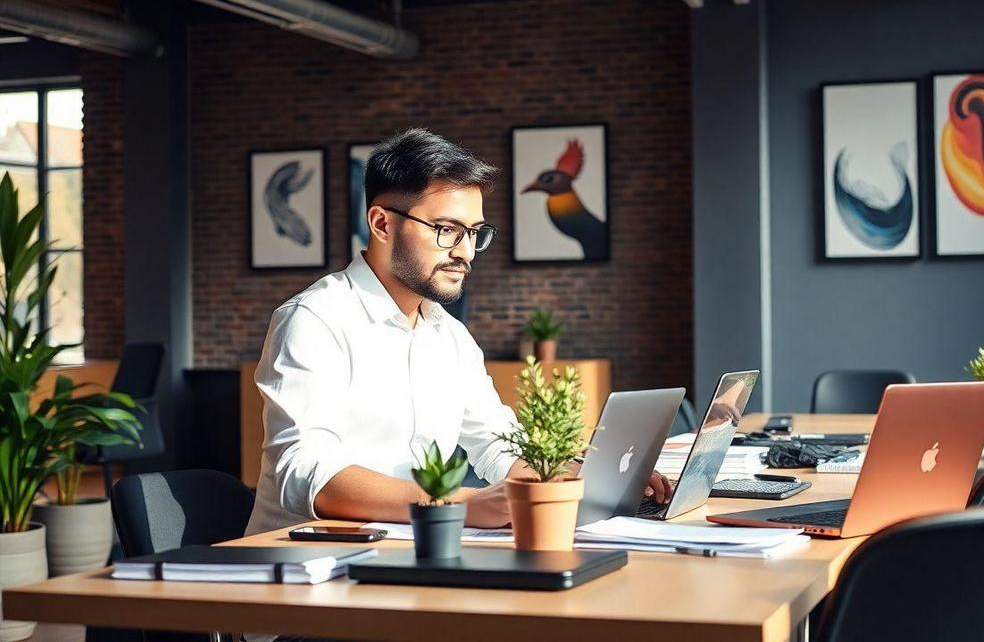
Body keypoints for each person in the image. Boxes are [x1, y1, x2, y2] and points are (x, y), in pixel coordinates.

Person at [245, 128, 671, 537]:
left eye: (473, 233)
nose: (465, 251)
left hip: (412, 551)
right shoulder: (314, 319)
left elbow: (496, 444)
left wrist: (585, 477)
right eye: (446, 229)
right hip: (307, 565)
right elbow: (301, 470)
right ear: (381, 223)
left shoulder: (448, 335)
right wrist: (455, 504)